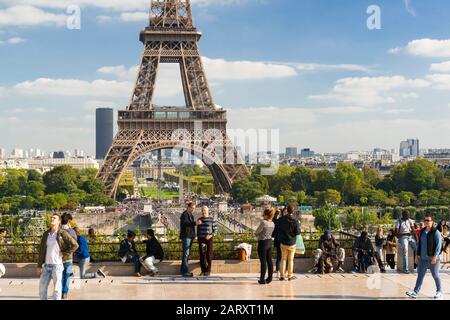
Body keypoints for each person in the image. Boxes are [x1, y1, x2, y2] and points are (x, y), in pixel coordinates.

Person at [37, 213, 79, 300]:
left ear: (59, 221)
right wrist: (39, 265)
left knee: (57, 289)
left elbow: (75, 245)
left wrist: (64, 253)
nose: (52, 219)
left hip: (57, 265)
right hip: (47, 265)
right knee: (42, 288)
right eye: (51, 217)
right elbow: (41, 250)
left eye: (54, 218)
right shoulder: (46, 234)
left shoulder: (62, 233)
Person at [406, 215, 443, 299]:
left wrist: (435, 256)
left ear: (432, 222)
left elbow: (439, 245)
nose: (427, 221)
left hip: (433, 259)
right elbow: (419, 244)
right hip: (423, 258)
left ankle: (439, 291)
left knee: (435, 275)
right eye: (425, 220)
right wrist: (417, 255)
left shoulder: (435, 232)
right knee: (420, 275)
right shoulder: (422, 231)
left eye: (428, 220)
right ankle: (415, 292)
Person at [278, 205, 301, 281]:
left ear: (286, 210)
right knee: (290, 260)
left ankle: (282, 275)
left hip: (283, 242)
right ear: (293, 211)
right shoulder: (295, 220)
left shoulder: (282, 219)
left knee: (283, 259)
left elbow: (278, 227)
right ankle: (290, 275)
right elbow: (297, 232)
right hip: (292, 243)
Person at [196, 206, 218, 276]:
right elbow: (198, 230)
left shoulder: (212, 219)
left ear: (208, 211)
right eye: (202, 210)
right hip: (201, 239)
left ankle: (208, 270)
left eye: (205, 210)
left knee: (208, 255)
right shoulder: (199, 219)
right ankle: (203, 270)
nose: (203, 212)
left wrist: (211, 235)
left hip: (209, 239)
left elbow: (216, 230)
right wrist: (197, 237)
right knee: (202, 255)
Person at [255, 208, 275, 284]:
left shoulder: (263, 223)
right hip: (269, 242)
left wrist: (259, 234)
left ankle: (262, 279)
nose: (263, 216)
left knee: (263, 262)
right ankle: (270, 278)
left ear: (266, 215)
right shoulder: (273, 223)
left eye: (264, 214)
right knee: (269, 261)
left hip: (263, 242)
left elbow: (256, 232)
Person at [60, 213, 77, 299]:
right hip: (69, 257)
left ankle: (60, 291)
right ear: (69, 221)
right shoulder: (71, 231)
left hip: (59, 257)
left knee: (60, 275)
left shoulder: (57, 230)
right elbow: (75, 244)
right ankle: (64, 292)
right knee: (67, 275)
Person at [395, 210, 416, 274]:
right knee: (405, 250)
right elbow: (396, 233)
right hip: (403, 238)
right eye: (407, 215)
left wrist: (412, 234)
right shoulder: (398, 221)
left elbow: (414, 231)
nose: (408, 216)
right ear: (403, 215)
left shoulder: (410, 221)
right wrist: (405, 234)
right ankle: (405, 269)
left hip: (410, 237)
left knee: (418, 249)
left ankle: (420, 266)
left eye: (408, 215)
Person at [180, 202, 196, 277]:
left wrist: (194, 236)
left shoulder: (190, 215)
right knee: (186, 254)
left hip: (190, 236)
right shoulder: (184, 215)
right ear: (188, 207)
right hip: (186, 236)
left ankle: (183, 270)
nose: (193, 209)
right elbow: (186, 224)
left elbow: (191, 226)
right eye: (193, 208)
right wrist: (195, 223)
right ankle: (185, 271)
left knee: (187, 254)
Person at [272, 209, 283, 278]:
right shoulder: (284, 221)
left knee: (279, 256)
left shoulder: (277, 221)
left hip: (278, 240)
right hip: (284, 240)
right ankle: (282, 271)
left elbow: (274, 220)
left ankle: (278, 270)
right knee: (282, 257)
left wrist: (276, 214)